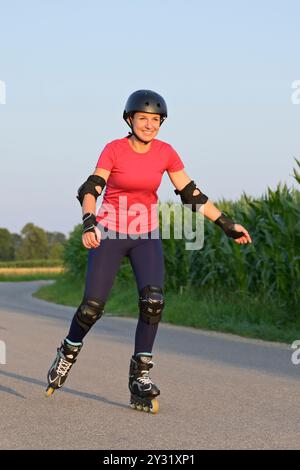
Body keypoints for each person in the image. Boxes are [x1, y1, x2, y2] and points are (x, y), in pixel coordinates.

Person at [45, 90, 252, 413]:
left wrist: (226, 223)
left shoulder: (166, 153)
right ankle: (68, 351)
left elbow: (191, 193)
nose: (149, 125)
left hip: (145, 234)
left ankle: (140, 375)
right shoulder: (114, 149)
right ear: (130, 120)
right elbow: (91, 188)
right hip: (110, 232)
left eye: (155, 120)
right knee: (92, 308)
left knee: (153, 300)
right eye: (143, 118)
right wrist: (89, 223)